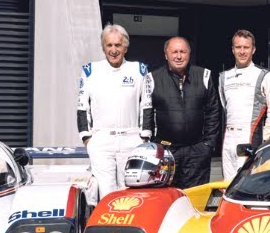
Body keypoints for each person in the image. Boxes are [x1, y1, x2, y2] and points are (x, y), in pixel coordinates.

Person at [77, 24, 154, 199]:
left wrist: (144, 137)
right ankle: (108, 226)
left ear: (125, 47)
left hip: (132, 138)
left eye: (118, 45)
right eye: (109, 45)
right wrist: (87, 138)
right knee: (106, 192)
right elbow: (82, 106)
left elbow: (147, 105)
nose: (113, 50)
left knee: (131, 191)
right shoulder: (89, 71)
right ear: (103, 47)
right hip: (101, 140)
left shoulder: (140, 70)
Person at [148, 37, 222, 188]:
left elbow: (213, 111)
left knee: (195, 200)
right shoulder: (153, 78)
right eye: (174, 52)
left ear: (189, 53)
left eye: (183, 52)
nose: (179, 56)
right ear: (166, 54)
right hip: (167, 152)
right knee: (167, 200)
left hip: (197, 152)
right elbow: (147, 114)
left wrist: (208, 145)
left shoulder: (204, 75)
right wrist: (153, 146)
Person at [218, 30, 270, 181]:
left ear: (253, 50)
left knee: (247, 183)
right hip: (228, 138)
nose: (242, 52)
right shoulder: (223, 77)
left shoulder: (266, 75)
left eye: (246, 48)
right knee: (227, 186)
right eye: (238, 47)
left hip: (250, 136)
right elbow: (225, 107)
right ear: (232, 49)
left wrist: (262, 139)